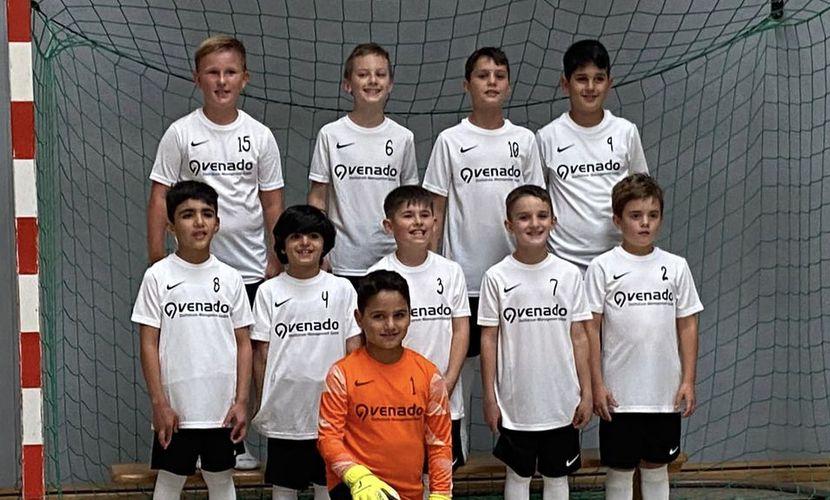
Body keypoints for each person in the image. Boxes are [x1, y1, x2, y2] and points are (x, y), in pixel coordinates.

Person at [146, 33, 281, 469]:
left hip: (248, 267)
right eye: (213, 73)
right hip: (193, 271)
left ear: (245, 78)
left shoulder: (259, 136)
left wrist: (275, 256)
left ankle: (239, 440)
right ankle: (203, 439)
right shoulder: (181, 133)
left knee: (248, 355)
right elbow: (159, 196)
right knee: (203, 354)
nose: (222, 81)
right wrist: (157, 257)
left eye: (230, 72)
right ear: (197, 78)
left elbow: (272, 202)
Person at [422, 48, 545, 400]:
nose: (492, 82)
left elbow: (537, 206)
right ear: (467, 84)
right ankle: (455, 435)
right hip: (464, 279)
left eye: (499, 76)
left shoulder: (524, 140)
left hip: (513, 277)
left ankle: (513, 435)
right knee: (457, 373)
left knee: (513, 368)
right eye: (482, 75)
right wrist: (433, 270)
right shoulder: (450, 140)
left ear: (508, 85)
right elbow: (436, 209)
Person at [131, 181, 253, 500]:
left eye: (206, 214)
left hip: (221, 408)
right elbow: (148, 343)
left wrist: (242, 401)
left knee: (221, 479)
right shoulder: (157, 276)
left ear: (217, 223)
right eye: (187, 215)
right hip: (177, 409)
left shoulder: (231, 278)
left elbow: (244, 343)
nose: (199, 222)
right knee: (170, 480)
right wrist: (159, 403)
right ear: (171, 226)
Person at [585, 174, 702, 500]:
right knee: (619, 470)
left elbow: (688, 325)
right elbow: (590, 329)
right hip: (618, 396)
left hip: (664, 394)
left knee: (656, 467)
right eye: (635, 215)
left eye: (653, 215)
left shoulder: (676, 267)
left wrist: (688, 380)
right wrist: (596, 384)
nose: (645, 223)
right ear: (617, 220)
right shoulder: (602, 267)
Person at [478, 185, 593, 500]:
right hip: (515, 403)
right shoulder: (496, 277)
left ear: (553, 221)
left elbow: (579, 336)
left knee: (557, 477)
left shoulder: (569, 274)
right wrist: (490, 397)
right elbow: (488, 339)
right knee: (518, 475)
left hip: (561, 401)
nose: (534, 223)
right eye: (524, 217)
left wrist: (586, 392)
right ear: (509, 225)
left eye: (542, 216)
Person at [251, 205, 363, 500]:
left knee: (328, 488)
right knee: (284, 490)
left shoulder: (342, 289)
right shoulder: (268, 292)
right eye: (295, 236)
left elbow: (354, 349)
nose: (304, 243)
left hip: (332, 414)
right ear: (282, 246)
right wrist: (265, 400)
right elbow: (261, 353)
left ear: (325, 244)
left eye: (313, 236)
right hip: (285, 414)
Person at [317, 270, 453, 500]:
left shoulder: (429, 375)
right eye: (378, 316)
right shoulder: (341, 374)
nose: (390, 325)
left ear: (410, 315)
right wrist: (358, 477)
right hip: (354, 490)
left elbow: (440, 445)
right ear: (359, 319)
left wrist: (441, 495)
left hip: (410, 494)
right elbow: (328, 438)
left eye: (399, 315)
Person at [368, 186, 470, 472]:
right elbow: (375, 341)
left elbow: (461, 329)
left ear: (435, 222)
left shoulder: (451, 271)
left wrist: (448, 381)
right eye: (408, 215)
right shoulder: (377, 274)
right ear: (389, 226)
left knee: (439, 480)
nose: (418, 222)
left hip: (443, 397)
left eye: (425, 215)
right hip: (394, 401)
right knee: (398, 476)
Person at [307, 43, 419, 284]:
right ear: (348, 84)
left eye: (380, 74)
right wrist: (321, 250)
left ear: (390, 84)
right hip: (342, 260)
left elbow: (410, 200)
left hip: (391, 259)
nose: (373, 81)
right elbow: (317, 198)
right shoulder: (331, 134)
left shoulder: (403, 138)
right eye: (363, 74)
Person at [536, 39, 648, 273]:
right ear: (565, 84)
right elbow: (536, 200)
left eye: (598, 79)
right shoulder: (547, 137)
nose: (590, 87)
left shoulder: (625, 132)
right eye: (581, 79)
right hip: (564, 263)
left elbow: (642, 195)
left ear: (609, 83)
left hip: (618, 260)